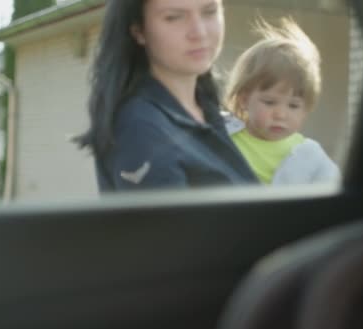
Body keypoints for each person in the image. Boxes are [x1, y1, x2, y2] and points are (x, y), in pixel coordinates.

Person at [75, 0, 257, 191]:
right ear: (138, 31)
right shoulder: (140, 128)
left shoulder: (206, 107)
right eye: (174, 17)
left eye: (209, 12)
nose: (199, 32)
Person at [224, 17, 340, 185]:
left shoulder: (310, 155)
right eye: (270, 102)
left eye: (293, 105)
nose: (281, 114)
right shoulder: (224, 136)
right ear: (244, 100)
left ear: (306, 109)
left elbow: (334, 191)